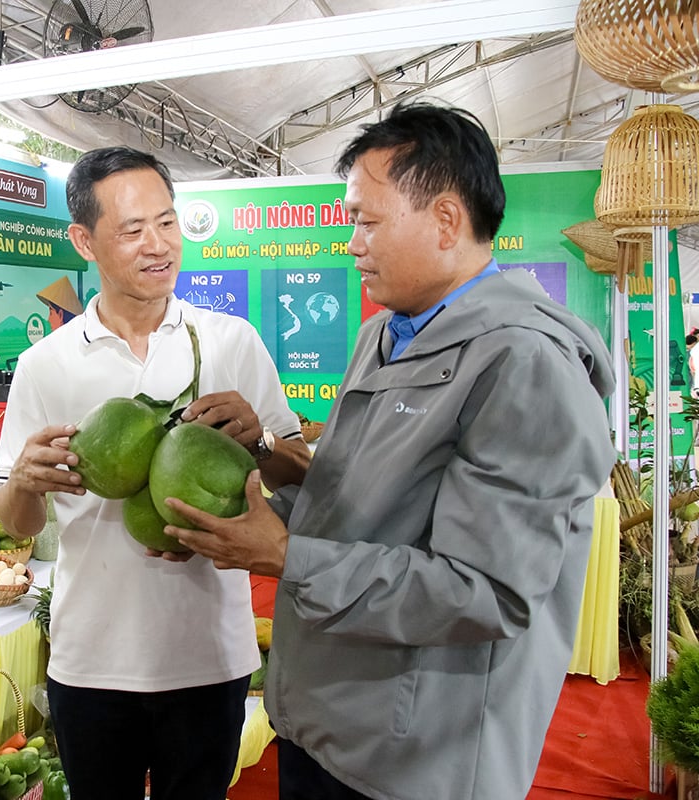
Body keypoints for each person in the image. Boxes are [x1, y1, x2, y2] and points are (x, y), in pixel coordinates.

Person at [166, 102, 617, 800]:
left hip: (413, 760)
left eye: (366, 222)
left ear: (445, 220)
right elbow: (355, 500)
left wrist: (285, 556)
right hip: (326, 721)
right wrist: (250, 479)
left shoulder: (525, 365)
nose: (351, 244)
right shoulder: (384, 335)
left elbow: (484, 592)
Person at [0, 145, 310, 800]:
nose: (158, 244)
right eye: (133, 229)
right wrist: (23, 481)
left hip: (208, 655)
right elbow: (16, 526)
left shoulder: (230, 342)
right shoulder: (46, 364)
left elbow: (300, 478)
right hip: (90, 661)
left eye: (167, 222)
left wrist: (261, 439)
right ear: (85, 240)